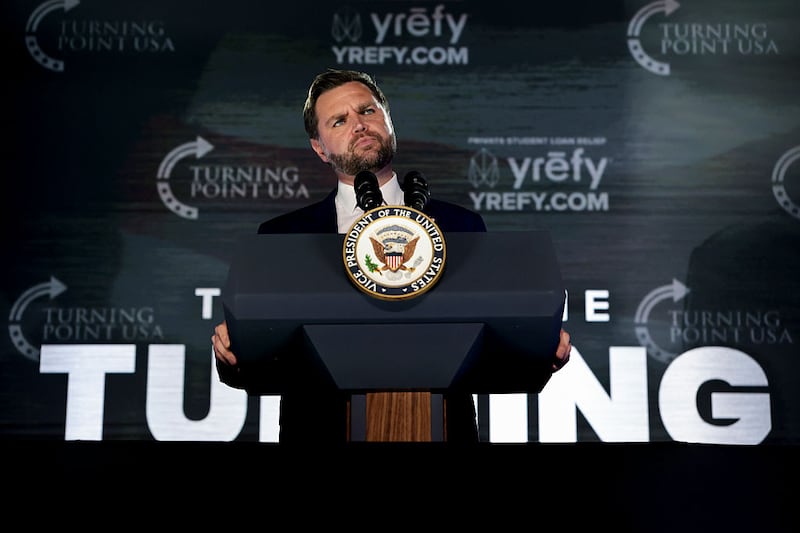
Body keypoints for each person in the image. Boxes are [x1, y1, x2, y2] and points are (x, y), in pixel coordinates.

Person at [212, 68, 572, 444]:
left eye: (367, 111)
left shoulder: (461, 226)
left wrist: (534, 348)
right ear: (320, 147)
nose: (359, 125)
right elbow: (260, 358)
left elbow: (487, 346)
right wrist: (232, 353)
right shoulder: (282, 238)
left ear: (388, 120)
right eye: (339, 120)